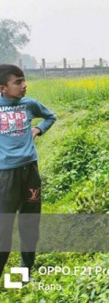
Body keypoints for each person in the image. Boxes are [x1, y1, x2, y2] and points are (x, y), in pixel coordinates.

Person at [0, 64, 57, 277]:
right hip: (6, 175)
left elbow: (50, 117)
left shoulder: (29, 105)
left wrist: (37, 129)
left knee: (30, 223)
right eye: (17, 82)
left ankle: (26, 271)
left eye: (24, 80)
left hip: (30, 171)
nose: (24, 85)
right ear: (2, 88)